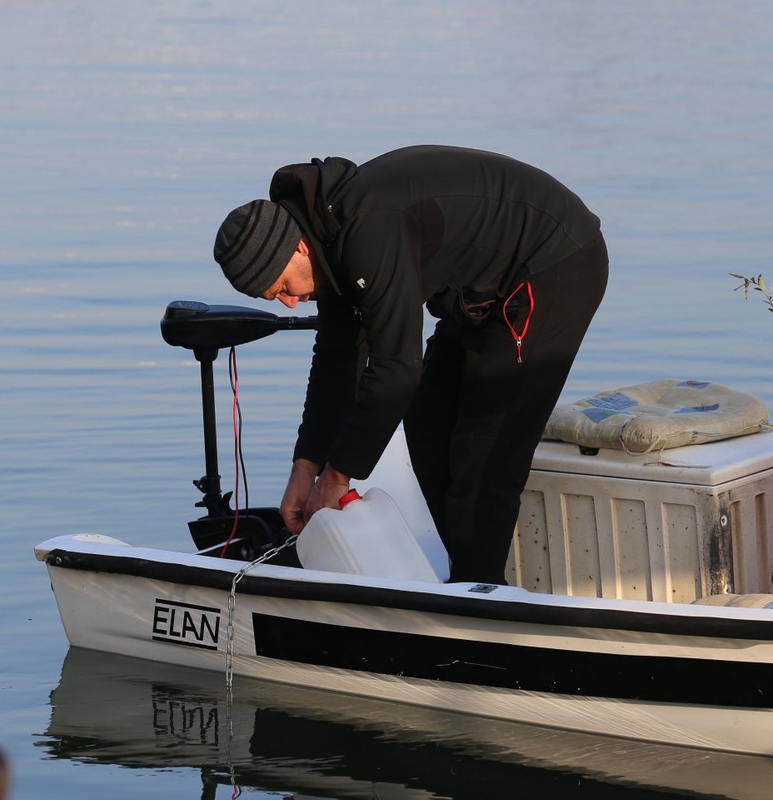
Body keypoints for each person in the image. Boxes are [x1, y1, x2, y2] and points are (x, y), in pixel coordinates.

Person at [213, 145, 608, 584]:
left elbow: (397, 369)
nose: (289, 301)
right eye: (275, 298)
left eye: (283, 286)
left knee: (485, 449)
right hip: (481, 291)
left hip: (554, 263)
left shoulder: (366, 230)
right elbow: (337, 360)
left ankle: (478, 597)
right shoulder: (327, 240)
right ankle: (468, 576)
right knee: (427, 416)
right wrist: (306, 467)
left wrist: (338, 474)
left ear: (299, 248)